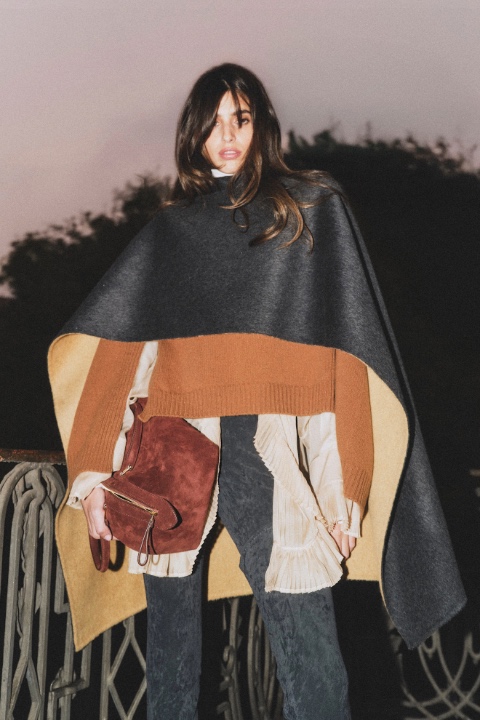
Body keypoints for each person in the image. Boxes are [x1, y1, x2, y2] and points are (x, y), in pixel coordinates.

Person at [48, 63, 465, 720]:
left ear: (262, 125)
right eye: (212, 123)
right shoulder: (172, 229)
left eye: (239, 119)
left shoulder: (310, 208)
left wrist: (349, 484)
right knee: (173, 652)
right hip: (172, 439)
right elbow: (118, 351)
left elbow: (345, 355)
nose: (227, 136)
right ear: (192, 134)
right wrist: (93, 474)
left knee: (308, 642)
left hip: (267, 443)